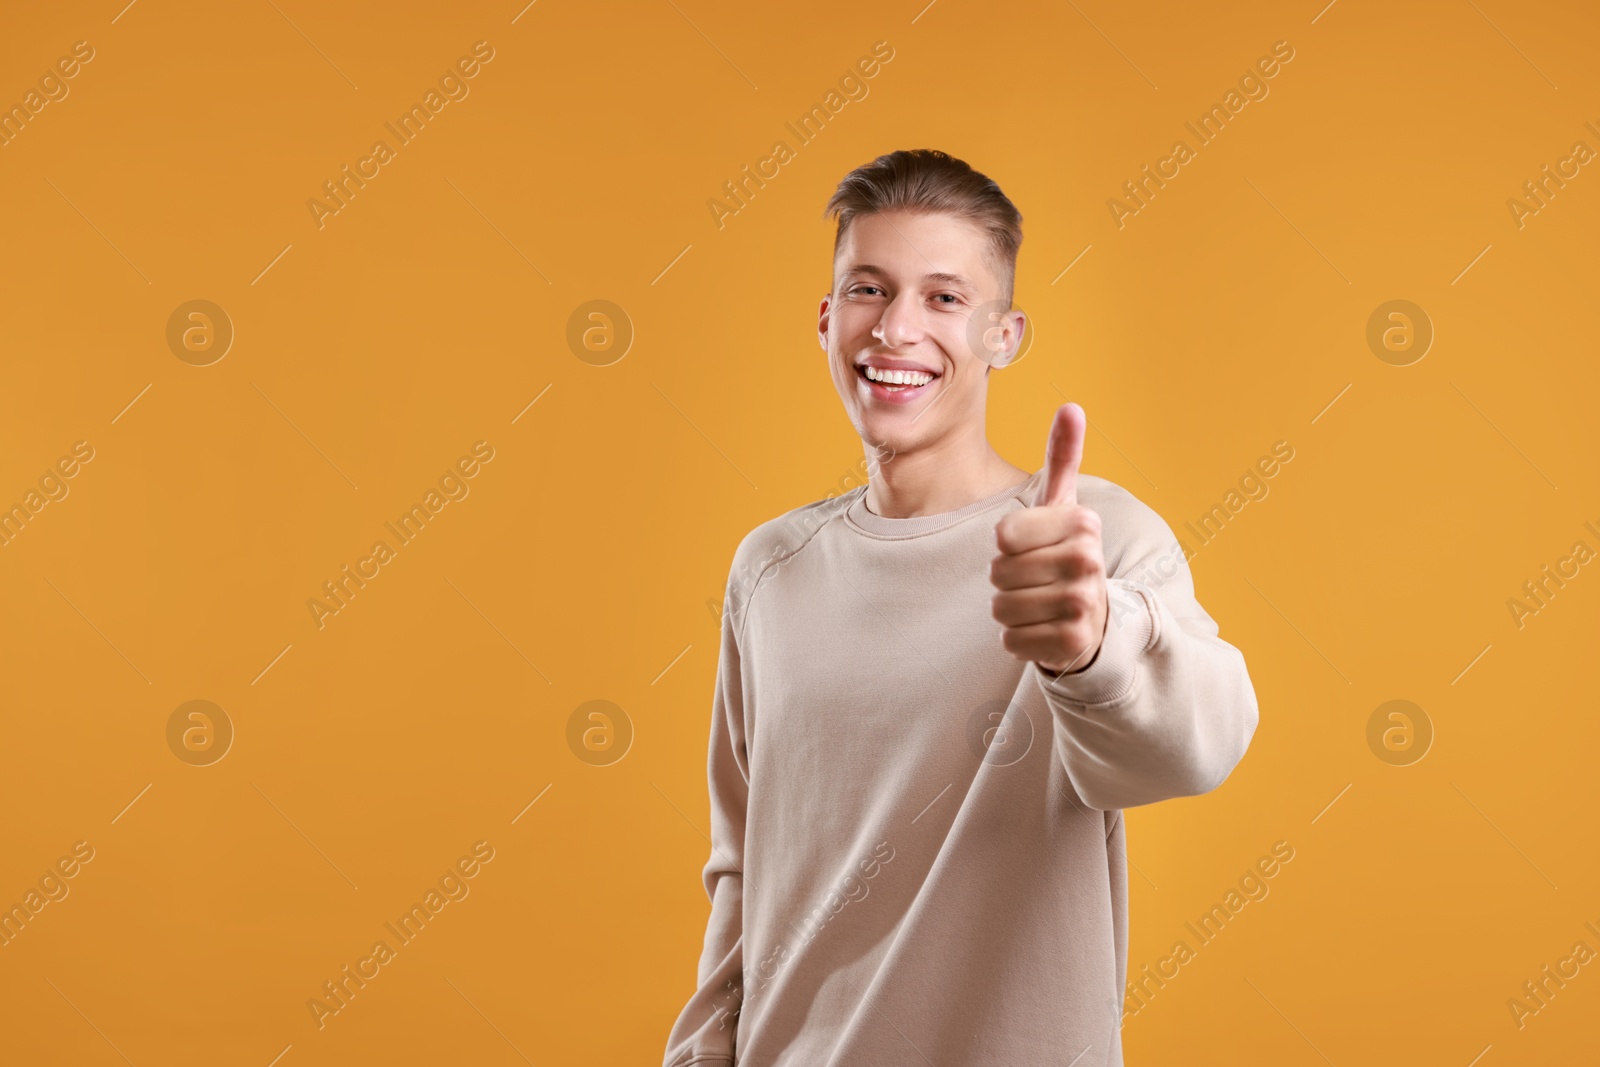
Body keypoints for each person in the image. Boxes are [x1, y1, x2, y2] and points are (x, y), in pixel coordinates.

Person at [661, 148, 1259, 1066]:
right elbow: (745, 868)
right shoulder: (771, 569)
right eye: (868, 289)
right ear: (827, 320)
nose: (895, 329)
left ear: (1004, 336)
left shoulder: (1086, 537)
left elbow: (1200, 740)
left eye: (944, 298)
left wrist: (1092, 644)